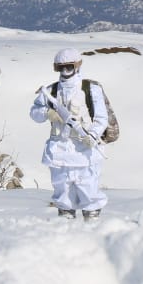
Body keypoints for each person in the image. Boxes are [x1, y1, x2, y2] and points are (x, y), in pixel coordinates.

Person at [29, 47, 109, 220]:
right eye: (61, 68)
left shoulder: (90, 89)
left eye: (69, 67)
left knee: (89, 191)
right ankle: (66, 233)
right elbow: (34, 113)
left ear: (77, 66)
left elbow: (102, 118)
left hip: (85, 150)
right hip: (60, 149)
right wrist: (47, 113)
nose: (65, 71)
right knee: (63, 193)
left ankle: (93, 229)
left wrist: (93, 135)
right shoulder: (50, 91)